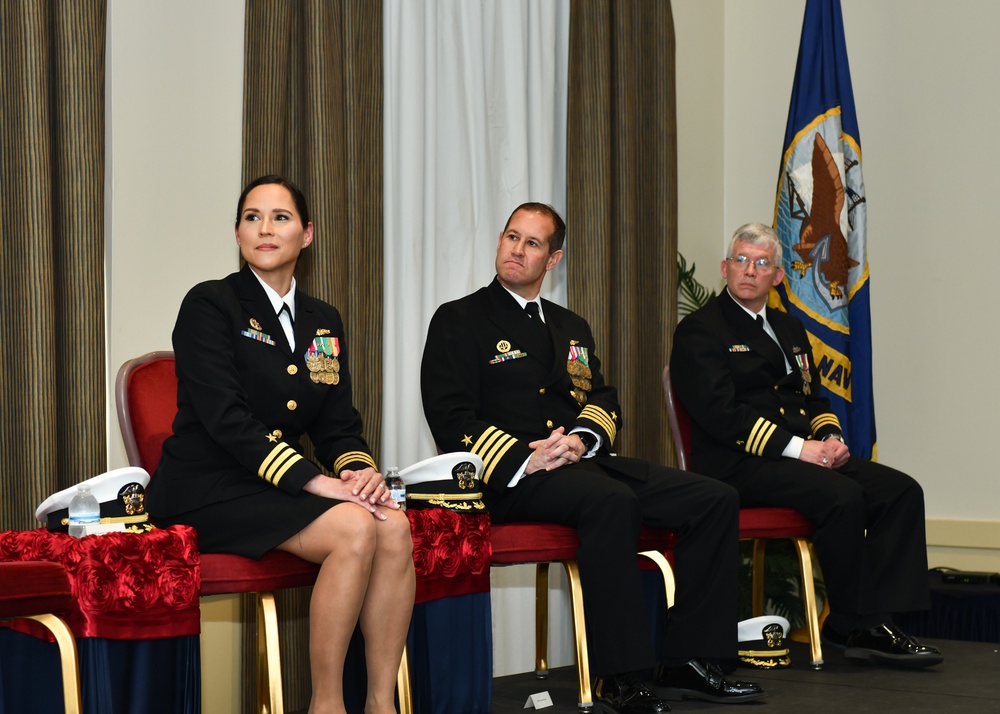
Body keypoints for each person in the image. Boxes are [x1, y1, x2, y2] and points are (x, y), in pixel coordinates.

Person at [420, 203, 766, 713]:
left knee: (713, 498)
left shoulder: (570, 325)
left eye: (532, 243)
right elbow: (450, 418)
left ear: (553, 259)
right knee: (610, 501)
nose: (517, 250)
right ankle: (621, 676)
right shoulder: (459, 318)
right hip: (510, 478)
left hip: (581, 465)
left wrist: (582, 439)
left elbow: (603, 399)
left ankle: (689, 660)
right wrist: (526, 458)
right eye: (512, 237)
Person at [148, 175, 414, 714]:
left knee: (394, 524)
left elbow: (338, 423)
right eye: (252, 217)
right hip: (208, 484)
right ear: (238, 232)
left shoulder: (323, 321)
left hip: (273, 486)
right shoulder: (210, 303)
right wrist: (317, 482)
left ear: (307, 234)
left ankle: (382, 703)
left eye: (281, 217)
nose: (265, 228)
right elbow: (226, 420)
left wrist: (359, 473)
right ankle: (327, 704)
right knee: (354, 527)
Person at [670, 222, 942, 669]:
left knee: (901, 492)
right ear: (725, 268)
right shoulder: (701, 330)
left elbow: (813, 398)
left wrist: (831, 438)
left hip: (800, 457)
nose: (749, 271)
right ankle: (855, 623)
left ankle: (875, 621)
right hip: (739, 464)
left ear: (778, 276)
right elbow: (721, 416)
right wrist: (802, 449)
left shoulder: (789, 327)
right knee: (841, 495)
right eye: (740, 260)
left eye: (761, 263)